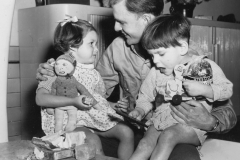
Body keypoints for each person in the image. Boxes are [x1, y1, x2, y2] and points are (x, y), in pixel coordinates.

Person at [36, 0, 237, 159]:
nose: (115, 28)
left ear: (146, 19)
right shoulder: (118, 47)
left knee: (184, 156)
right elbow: (93, 90)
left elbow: (228, 111)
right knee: (74, 150)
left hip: (175, 129)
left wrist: (211, 122)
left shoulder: (188, 58)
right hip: (132, 131)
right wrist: (59, 75)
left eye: (122, 21)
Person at [128, 14, 233, 160]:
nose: (155, 61)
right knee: (144, 145)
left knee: (168, 136)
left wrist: (206, 90)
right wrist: (139, 110)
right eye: (152, 56)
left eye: (160, 54)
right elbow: (145, 96)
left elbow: (227, 89)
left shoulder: (203, 67)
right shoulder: (156, 72)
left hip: (191, 126)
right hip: (161, 121)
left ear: (182, 48)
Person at [35, 15, 134, 160]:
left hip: (92, 119)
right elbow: (40, 98)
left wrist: (116, 106)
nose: (96, 50)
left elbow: (98, 100)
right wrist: (73, 101)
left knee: (127, 132)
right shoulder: (56, 69)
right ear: (72, 47)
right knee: (93, 144)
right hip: (69, 123)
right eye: (91, 43)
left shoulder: (92, 73)